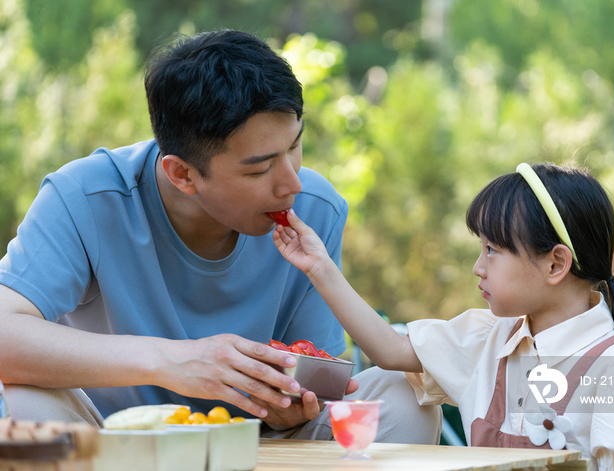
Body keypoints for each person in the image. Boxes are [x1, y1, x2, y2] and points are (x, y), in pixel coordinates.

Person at [0, 29, 440, 444]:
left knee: (406, 396)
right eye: (259, 168)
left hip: (260, 443)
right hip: (114, 445)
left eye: (294, 147)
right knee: (26, 399)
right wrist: (171, 362)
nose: (292, 184)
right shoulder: (85, 197)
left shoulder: (316, 208)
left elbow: (317, 380)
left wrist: (293, 404)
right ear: (183, 174)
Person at [273, 162, 614, 469]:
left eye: (492, 250)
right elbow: (392, 350)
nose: (478, 267)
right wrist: (319, 267)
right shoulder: (488, 339)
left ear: (556, 264)